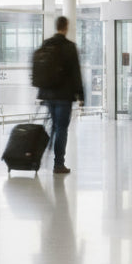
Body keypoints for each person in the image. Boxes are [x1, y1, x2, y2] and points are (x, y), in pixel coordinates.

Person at [36, 15, 85, 175]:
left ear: (56, 26)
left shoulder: (46, 44)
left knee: (54, 126)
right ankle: (58, 164)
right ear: (66, 27)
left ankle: (42, 155)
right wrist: (81, 95)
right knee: (61, 128)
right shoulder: (70, 47)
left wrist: (41, 92)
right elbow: (76, 73)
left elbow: (41, 68)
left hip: (48, 94)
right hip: (64, 96)